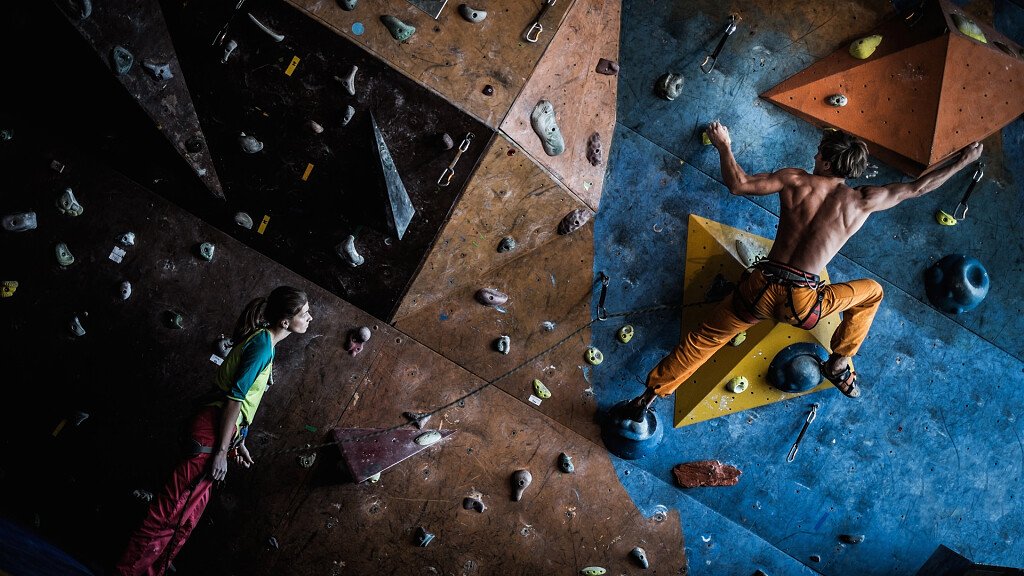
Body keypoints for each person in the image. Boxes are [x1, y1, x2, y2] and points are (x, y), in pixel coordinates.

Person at [618, 121, 983, 419]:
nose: (813, 155)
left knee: (703, 340)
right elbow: (919, 188)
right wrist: (963, 159)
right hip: (803, 304)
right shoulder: (861, 201)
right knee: (872, 291)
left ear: (824, 159)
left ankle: (649, 397)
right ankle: (840, 361)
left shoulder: (794, 180)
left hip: (758, 291)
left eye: (818, 152)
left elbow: (738, 184)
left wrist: (723, 145)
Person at [116, 286, 313, 576]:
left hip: (223, 432)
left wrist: (237, 441)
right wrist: (222, 451)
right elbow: (234, 397)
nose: (310, 317)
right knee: (169, 511)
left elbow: (242, 404)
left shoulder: (267, 344)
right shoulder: (261, 345)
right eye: (304, 312)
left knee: (186, 517)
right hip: (212, 431)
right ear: (285, 321)